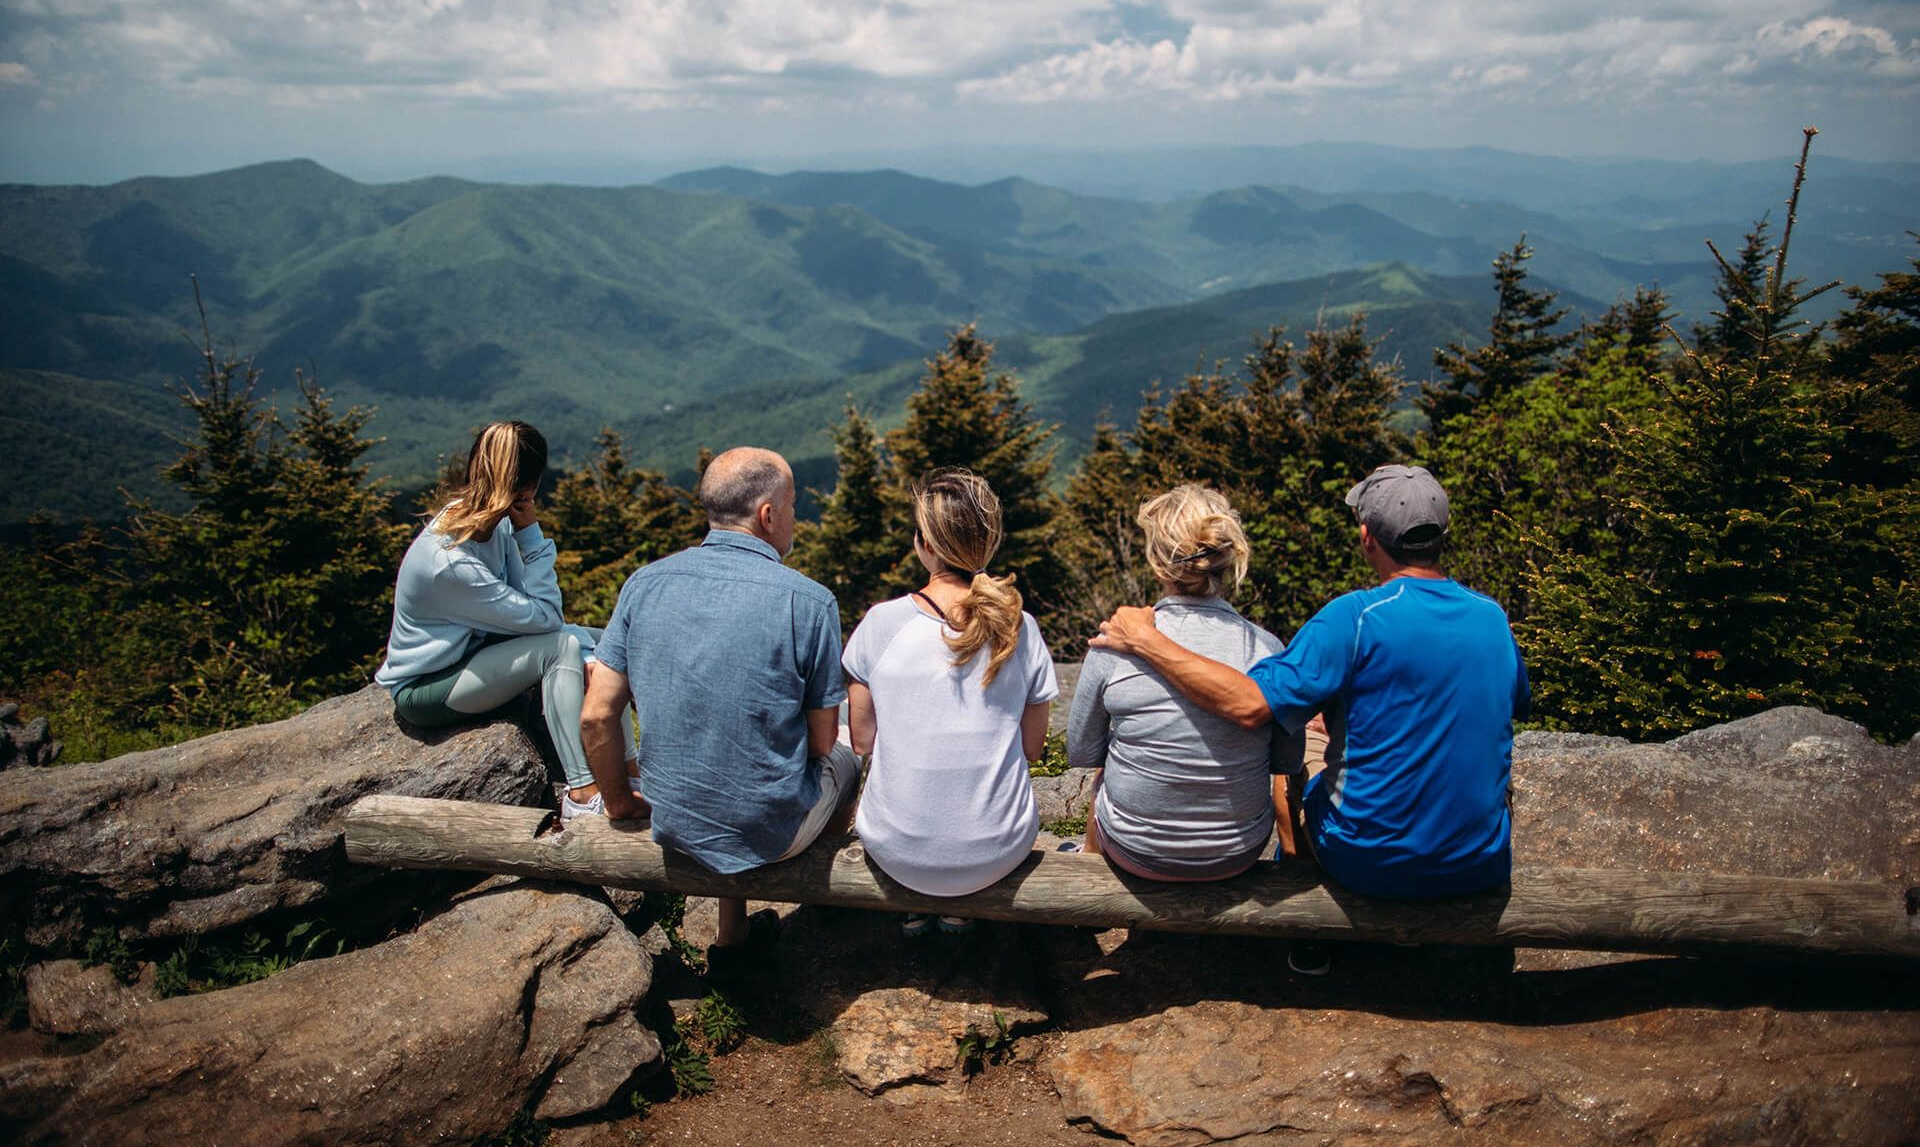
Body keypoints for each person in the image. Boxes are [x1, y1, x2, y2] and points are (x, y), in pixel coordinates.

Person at [1091, 465, 1529, 968]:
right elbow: (1508, 703)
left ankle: (1307, 925)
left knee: (1299, 747)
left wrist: (1148, 641)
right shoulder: (1491, 616)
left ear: (1367, 538)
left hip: (1369, 862)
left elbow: (1250, 705)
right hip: (1477, 863)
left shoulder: (1354, 617)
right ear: (1441, 536)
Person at [580, 446, 857, 964]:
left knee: (720, 753)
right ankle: (828, 906)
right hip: (773, 833)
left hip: (674, 819)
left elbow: (596, 715)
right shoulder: (810, 601)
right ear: (768, 514)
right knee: (848, 759)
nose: (796, 517)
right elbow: (821, 743)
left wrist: (618, 802)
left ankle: (732, 938)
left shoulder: (644, 584)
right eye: (794, 505)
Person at [376, 421, 636, 821]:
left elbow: (533, 611)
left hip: (474, 655)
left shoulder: (486, 525)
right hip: (427, 687)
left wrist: (593, 654)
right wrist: (531, 534)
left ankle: (629, 773)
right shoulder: (451, 562)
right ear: (528, 488)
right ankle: (581, 794)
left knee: (607, 643)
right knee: (561, 648)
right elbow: (548, 620)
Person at [842, 469, 1058, 936]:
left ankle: (916, 906)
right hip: (998, 849)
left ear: (925, 544)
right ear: (988, 544)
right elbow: (1033, 747)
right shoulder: (1021, 627)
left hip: (898, 850)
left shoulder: (881, 624)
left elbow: (863, 741)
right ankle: (962, 912)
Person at [1067, 485, 1303, 881]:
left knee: (1105, 770)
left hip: (1135, 851)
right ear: (1226, 560)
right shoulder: (1268, 648)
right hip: (1238, 851)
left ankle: (1088, 864)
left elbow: (1082, 750)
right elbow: (1286, 760)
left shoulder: (1115, 643)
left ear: (1158, 566)